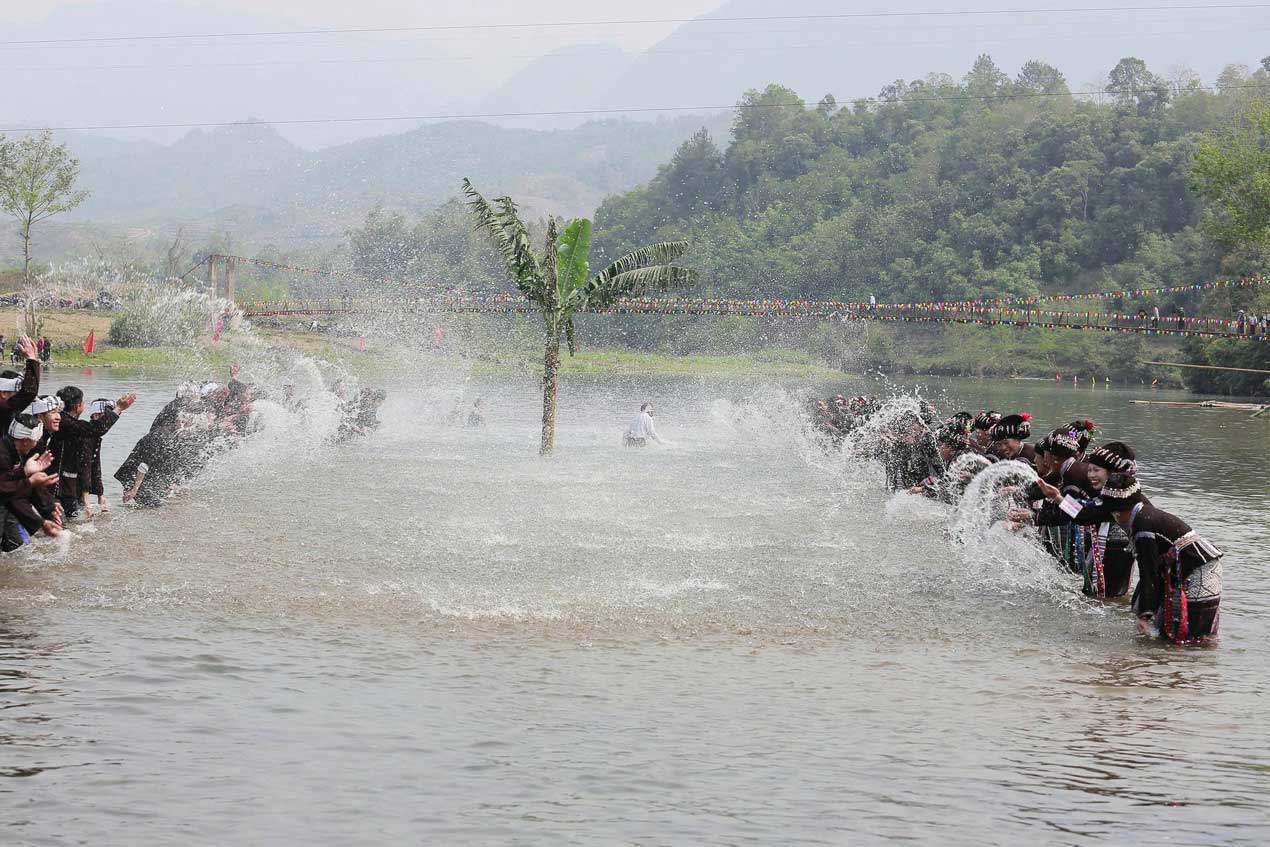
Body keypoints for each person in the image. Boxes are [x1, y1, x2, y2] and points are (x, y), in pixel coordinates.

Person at [1100, 473, 1223, 643]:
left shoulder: (1142, 525)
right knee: (1171, 635)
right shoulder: (1142, 512)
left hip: (1199, 571)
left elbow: (1148, 571)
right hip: (1187, 568)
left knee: (1194, 637)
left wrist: (1144, 616)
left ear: (1118, 512)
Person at [47, 387, 136, 522]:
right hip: (60, 486)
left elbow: (93, 464)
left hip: (67, 485)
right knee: (66, 523)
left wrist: (99, 493)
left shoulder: (73, 425)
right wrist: (118, 408)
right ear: (78, 406)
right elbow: (86, 463)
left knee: (70, 524)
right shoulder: (67, 424)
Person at [0, 336, 40, 434]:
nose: (21, 396)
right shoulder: (3, 410)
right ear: (4, 393)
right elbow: (29, 392)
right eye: (19, 392)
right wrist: (31, 359)